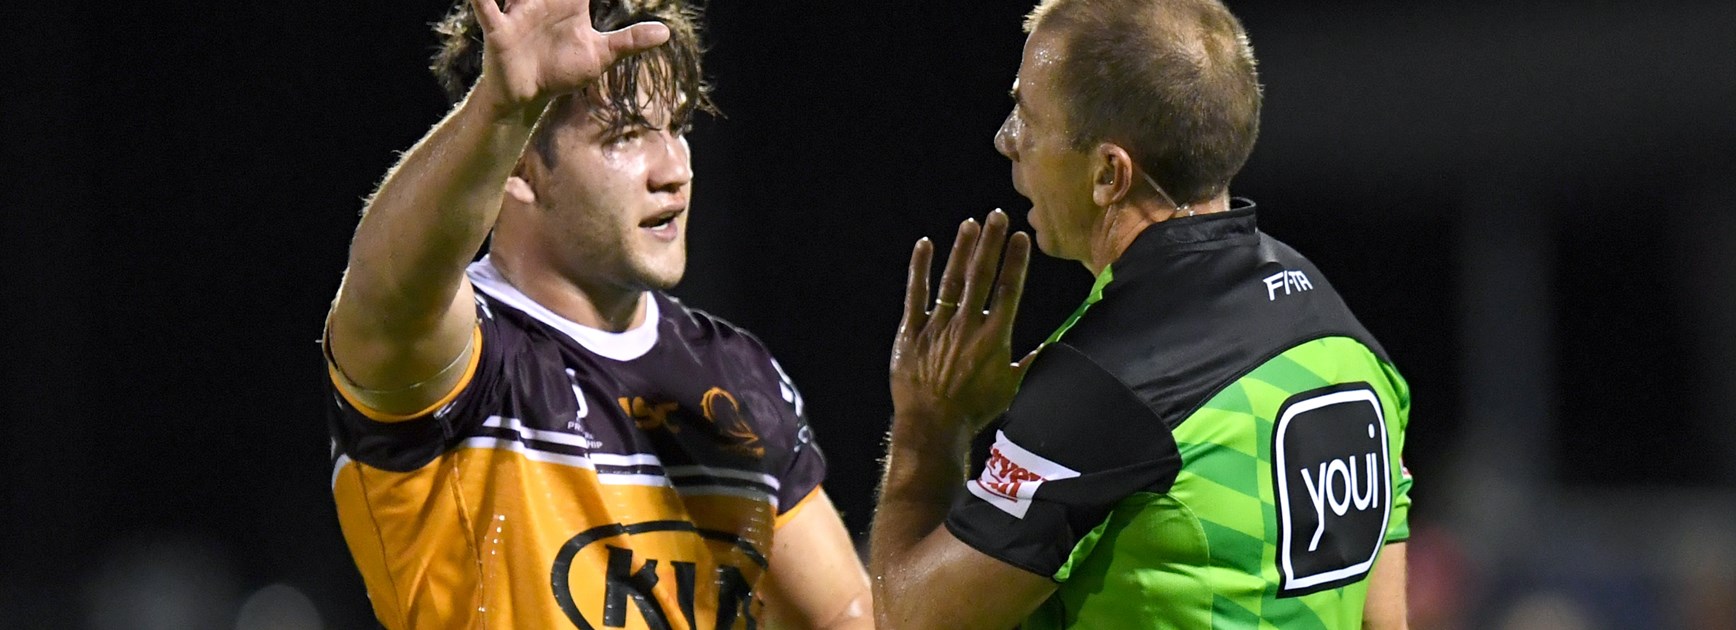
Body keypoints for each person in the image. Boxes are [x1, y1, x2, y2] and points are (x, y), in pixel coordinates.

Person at [320, 0, 872, 627]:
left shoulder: (735, 375)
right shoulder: (464, 360)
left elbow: (846, 615)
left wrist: (928, 443)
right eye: (626, 136)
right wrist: (499, 109)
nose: (675, 170)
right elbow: (388, 286)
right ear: (520, 166)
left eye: (679, 126)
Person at [869, 0, 1413, 628]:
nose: (1005, 140)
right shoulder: (1344, 336)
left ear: (1108, 173)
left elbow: (910, 616)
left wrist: (932, 422)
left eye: (1026, 115)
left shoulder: (1105, 384)